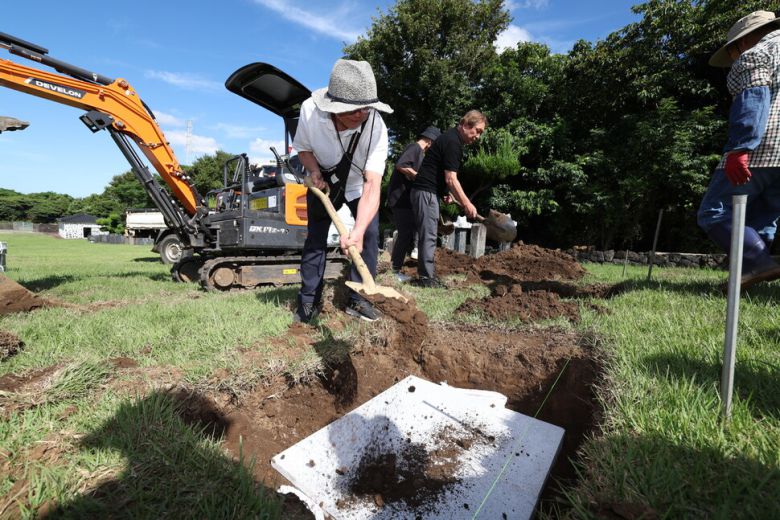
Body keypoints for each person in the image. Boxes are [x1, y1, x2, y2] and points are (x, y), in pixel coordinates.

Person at [292, 59, 391, 322]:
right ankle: (309, 299)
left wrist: (356, 232)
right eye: (353, 110)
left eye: (365, 109)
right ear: (333, 107)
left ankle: (360, 300)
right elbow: (303, 149)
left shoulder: (376, 127)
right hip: (324, 180)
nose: (361, 115)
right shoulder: (310, 111)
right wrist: (313, 171)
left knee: (369, 234)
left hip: (359, 184)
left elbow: (373, 184)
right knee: (316, 238)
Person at [698, 10, 780, 289]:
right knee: (763, 214)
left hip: (765, 147)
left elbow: (754, 98)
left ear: (741, 43)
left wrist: (740, 148)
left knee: (714, 211)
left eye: (731, 53)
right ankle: (751, 274)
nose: (732, 59)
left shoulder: (756, 53)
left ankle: (757, 263)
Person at [409, 110, 486, 287]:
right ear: (466, 125)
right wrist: (467, 203)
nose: (478, 137)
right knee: (428, 235)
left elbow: (437, 170)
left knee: (429, 233)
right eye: (478, 131)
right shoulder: (453, 143)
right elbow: (451, 178)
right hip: (426, 192)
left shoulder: (450, 138)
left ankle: (427, 275)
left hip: (429, 191)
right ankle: (426, 279)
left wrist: (444, 192)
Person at [386, 126, 441, 282]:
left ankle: (400, 264)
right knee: (405, 234)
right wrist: (420, 177)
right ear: (430, 141)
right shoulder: (414, 148)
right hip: (400, 199)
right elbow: (401, 165)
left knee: (411, 231)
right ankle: (394, 270)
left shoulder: (419, 153)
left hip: (407, 201)